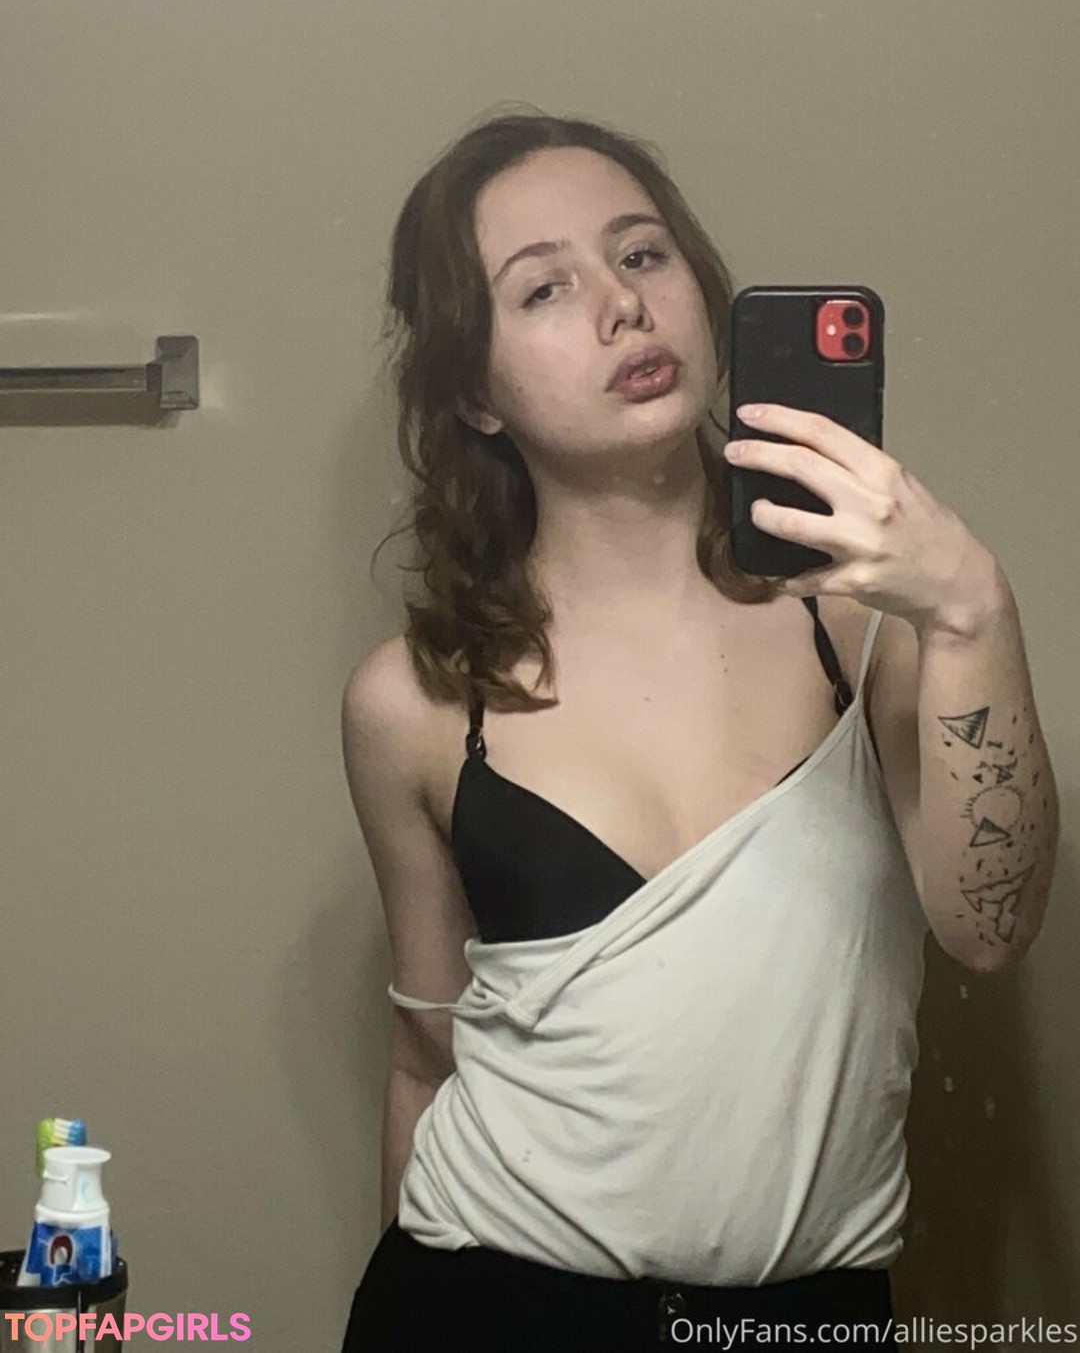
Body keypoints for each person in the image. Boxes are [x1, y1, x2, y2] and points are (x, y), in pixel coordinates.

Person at [336, 109, 1026, 1352]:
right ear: (475, 393)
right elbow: (424, 1055)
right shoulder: (420, 698)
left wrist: (973, 609)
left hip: (804, 1317)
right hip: (483, 1301)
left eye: (642, 254)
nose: (622, 306)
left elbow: (992, 926)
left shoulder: (864, 626)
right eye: (544, 288)